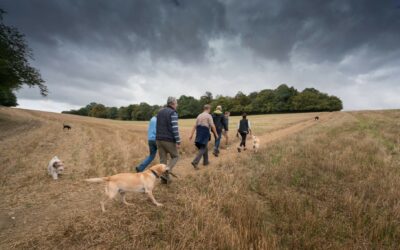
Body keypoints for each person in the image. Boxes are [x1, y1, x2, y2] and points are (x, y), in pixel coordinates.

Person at [156, 96, 180, 184]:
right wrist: (178, 140)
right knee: (175, 156)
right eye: (176, 103)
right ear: (173, 103)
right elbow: (175, 128)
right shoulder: (173, 113)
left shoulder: (159, 112)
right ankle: (166, 171)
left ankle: (164, 180)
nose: (177, 105)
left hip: (158, 139)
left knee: (163, 160)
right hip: (168, 139)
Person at [189, 104, 218, 170]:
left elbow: (194, 126)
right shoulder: (209, 116)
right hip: (205, 132)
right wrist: (216, 134)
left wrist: (191, 135)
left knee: (204, 147)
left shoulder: (199, 115)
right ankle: (195, 162)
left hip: (199, 131)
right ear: (209, 109)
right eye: (210, 109)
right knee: (203, 148)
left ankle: (205, 162)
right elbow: (212, 125)